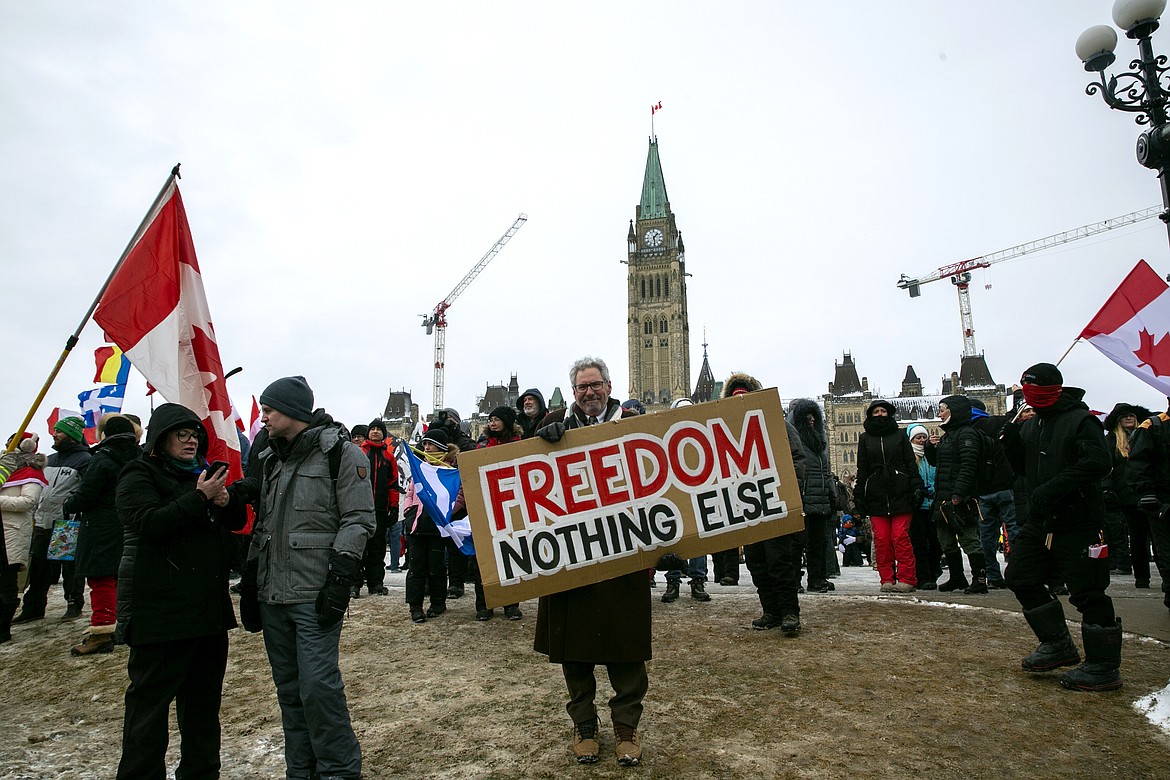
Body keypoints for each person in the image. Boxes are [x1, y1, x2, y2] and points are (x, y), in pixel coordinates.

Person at [245, 376, 375, 780]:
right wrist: (253, 582)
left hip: (315, 594)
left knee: (318, 690)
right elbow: (263, 524)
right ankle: (300, 771)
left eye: (269, 409)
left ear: (294, 412)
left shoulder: (343, 453)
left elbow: (358, 519)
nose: (263, 417)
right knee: (289, 692)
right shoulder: (269, 459)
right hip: (273, 594)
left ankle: (339, 771)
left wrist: (340, 576)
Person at [113, 403, 246, 778]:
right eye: (181, 434)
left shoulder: (204, 474)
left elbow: (234, 522)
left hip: (206, 612)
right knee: (148, 713)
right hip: (160, 614)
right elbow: (147, 523)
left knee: (203, 711)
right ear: (160, 438)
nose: (191, 441)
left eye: (195, 435)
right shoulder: (138, 473)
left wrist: (226, 500)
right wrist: (201, 497)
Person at [533, 357, 649, 766]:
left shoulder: (636, 423)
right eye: (581, 387)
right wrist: (541, 438)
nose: (589, 392)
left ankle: (625, 729)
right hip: (573, 556)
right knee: (575, 650)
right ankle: (584, 725)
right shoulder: (556, 427)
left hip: (625, 552)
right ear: (574, 392)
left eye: (595, 384)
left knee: (627, 649)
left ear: (609, 386)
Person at [1001, 363, 1121, 691]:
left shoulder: (1080, 421)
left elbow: (1098, 463)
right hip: (1040, 522)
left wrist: (1053, 488)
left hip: (1078, 520)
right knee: (1020, 576)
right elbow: (1023, 468)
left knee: (1088, 591)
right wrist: (1010, 441)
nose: (1031, 397)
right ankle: (1057, 644)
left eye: (1036, 390)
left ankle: (1103, 665)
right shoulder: (1031, 424)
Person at [720, 372, 807, 634]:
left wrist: (790, 490)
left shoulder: (775, 422)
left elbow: (797, 459)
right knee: (757, 560)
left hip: (774, 500)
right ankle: (770, 610)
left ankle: (790, 612)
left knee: (779, 560)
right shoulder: (724, 428)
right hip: (746, 506)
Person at [63, 414, 142, 656]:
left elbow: (87, 494)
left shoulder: (102, 458)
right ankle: (126, 624)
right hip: (128, 523)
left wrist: (69, 502)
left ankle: (102, 632)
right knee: (123, 577)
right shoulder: (141, 457)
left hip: (100, 526)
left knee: (100, 579)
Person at [15, 416, 91, 623]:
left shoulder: (85, 460)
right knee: (39, 566)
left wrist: (71, 507)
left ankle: (73, 603)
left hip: (66, 522)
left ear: (73, 435)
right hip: (42, 521)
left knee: (69, 567)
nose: (54, 434)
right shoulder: (50, 459)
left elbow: (87, 490)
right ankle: (33, 607)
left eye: (59, 431)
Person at [854, 400, 924, 593]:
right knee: (882, 540)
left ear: (889, 413)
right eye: (876, 411)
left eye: (883, 411)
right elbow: (862, 469)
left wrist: (916, 485)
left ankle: (907, 578)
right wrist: (859, 494)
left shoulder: (900, 435)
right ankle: (886, 579)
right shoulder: (865, 438)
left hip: (900, 492)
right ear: (870, 415)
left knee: (900, 537)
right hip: (876, 494)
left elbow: (911, 464)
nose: (880, 414)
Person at [925, 395, 990, 594]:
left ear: (954, 411)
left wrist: (959, 493)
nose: (939, 413)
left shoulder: (966, 434)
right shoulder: (948, 436)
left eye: (943, 409)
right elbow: (938, 463)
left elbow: (969, 466)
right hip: (943, 498)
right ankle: (957, 577)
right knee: (945, 539)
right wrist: (930, 447)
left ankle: (979, 580)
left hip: (959, 497)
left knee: (969, 538)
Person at [402, 428, 458, 623]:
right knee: (416, 567)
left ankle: (437, 602)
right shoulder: (419, 468)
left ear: (440, 447)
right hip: (417, 524)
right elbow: (410, 492)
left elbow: (456, 496)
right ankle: (415, 606)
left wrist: (447, 513)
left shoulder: (450, 472)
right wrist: (408, 511)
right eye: (424, 444)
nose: (426, 447)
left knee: (436, 567)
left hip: (437, 526)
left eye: (430, 444)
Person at [660, 399, 712, 604]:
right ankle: (673, 581)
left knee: (698, 540)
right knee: (672, 542)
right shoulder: (664, 436)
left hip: (697, 494)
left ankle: (697, 581)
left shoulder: (702, 435)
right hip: (674, 497)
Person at [1122, 399, 1170, 602]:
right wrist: (1148, 494)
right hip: (1164, 502)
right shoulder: (1153, 426)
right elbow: (1139, 463)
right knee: (1165, 549)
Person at [0, 433, 47, 643]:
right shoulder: (3, 469)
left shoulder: (32, 474)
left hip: (12, 532)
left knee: (7, 582)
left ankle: (3, 627)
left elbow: (28, 502)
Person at [788, 398, 837, 593]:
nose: (811, 421)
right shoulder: (794, 440)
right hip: (802, 499)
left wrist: (831, 494)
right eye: (807, 418)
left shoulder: (819, 443)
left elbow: (826, 473)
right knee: (796, 545)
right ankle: (793, 581)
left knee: (818, 543)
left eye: (813, 417)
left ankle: (817, 578)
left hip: (820, 500)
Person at [970, 398, 1017, 589]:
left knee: (986, 537)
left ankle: (993, 575)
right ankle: (1017, 573)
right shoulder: (999, 423)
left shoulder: (966, 431)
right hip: (1006, 487)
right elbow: (1017, 415)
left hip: (982, 491)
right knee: (1014, 532)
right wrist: (1018, 395)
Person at [1101, 403, 1151, 579]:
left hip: (1148, 492)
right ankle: (1141, 577)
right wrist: (1107, 488)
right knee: (1135, 536)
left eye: (1131, 415)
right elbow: (1105, 467)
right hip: (1125, 495)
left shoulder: (1147, 435)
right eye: (1124, 416)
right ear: (1118, 420)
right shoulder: (1111, 441)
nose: (1128, 418)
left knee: (1155, 537)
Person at [358, 418, 399, 597]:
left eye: (378, 429)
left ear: (383, 434)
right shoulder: (359, 453)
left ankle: (375, 584)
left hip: (380, 509)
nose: (375, 431)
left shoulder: (389, 457)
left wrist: (394, 507)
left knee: (377, 548)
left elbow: (393, 483)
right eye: (372, 429)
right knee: (358, 547)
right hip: (358, 508)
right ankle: (354, 584)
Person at [906, 425, 942, 589]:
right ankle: (923, 576)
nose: (921, 440)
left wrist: (934, 490)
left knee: (936, 542)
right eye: (917, 438)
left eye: (923, 437)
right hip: (917, 506)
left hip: (934, 504)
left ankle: (933, 572)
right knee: (919, 543)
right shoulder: (909, 458)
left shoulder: (933, 455)